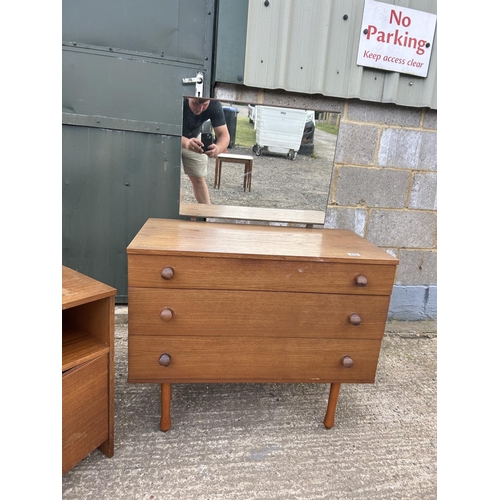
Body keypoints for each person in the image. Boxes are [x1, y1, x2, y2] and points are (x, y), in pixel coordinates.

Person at [181, 97, 230, 204]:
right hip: (170, 138)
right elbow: (164, 130)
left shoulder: (214, 104)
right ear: (188, 97)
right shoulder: (177, 99)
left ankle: (205, 216)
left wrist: (218, 148)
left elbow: (224, 135)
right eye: (195, 103)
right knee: (171, 180)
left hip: (193, 139)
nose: (200, 109)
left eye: (204, 105)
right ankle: (172, 215)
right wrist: (186, 143)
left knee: (199, 177)